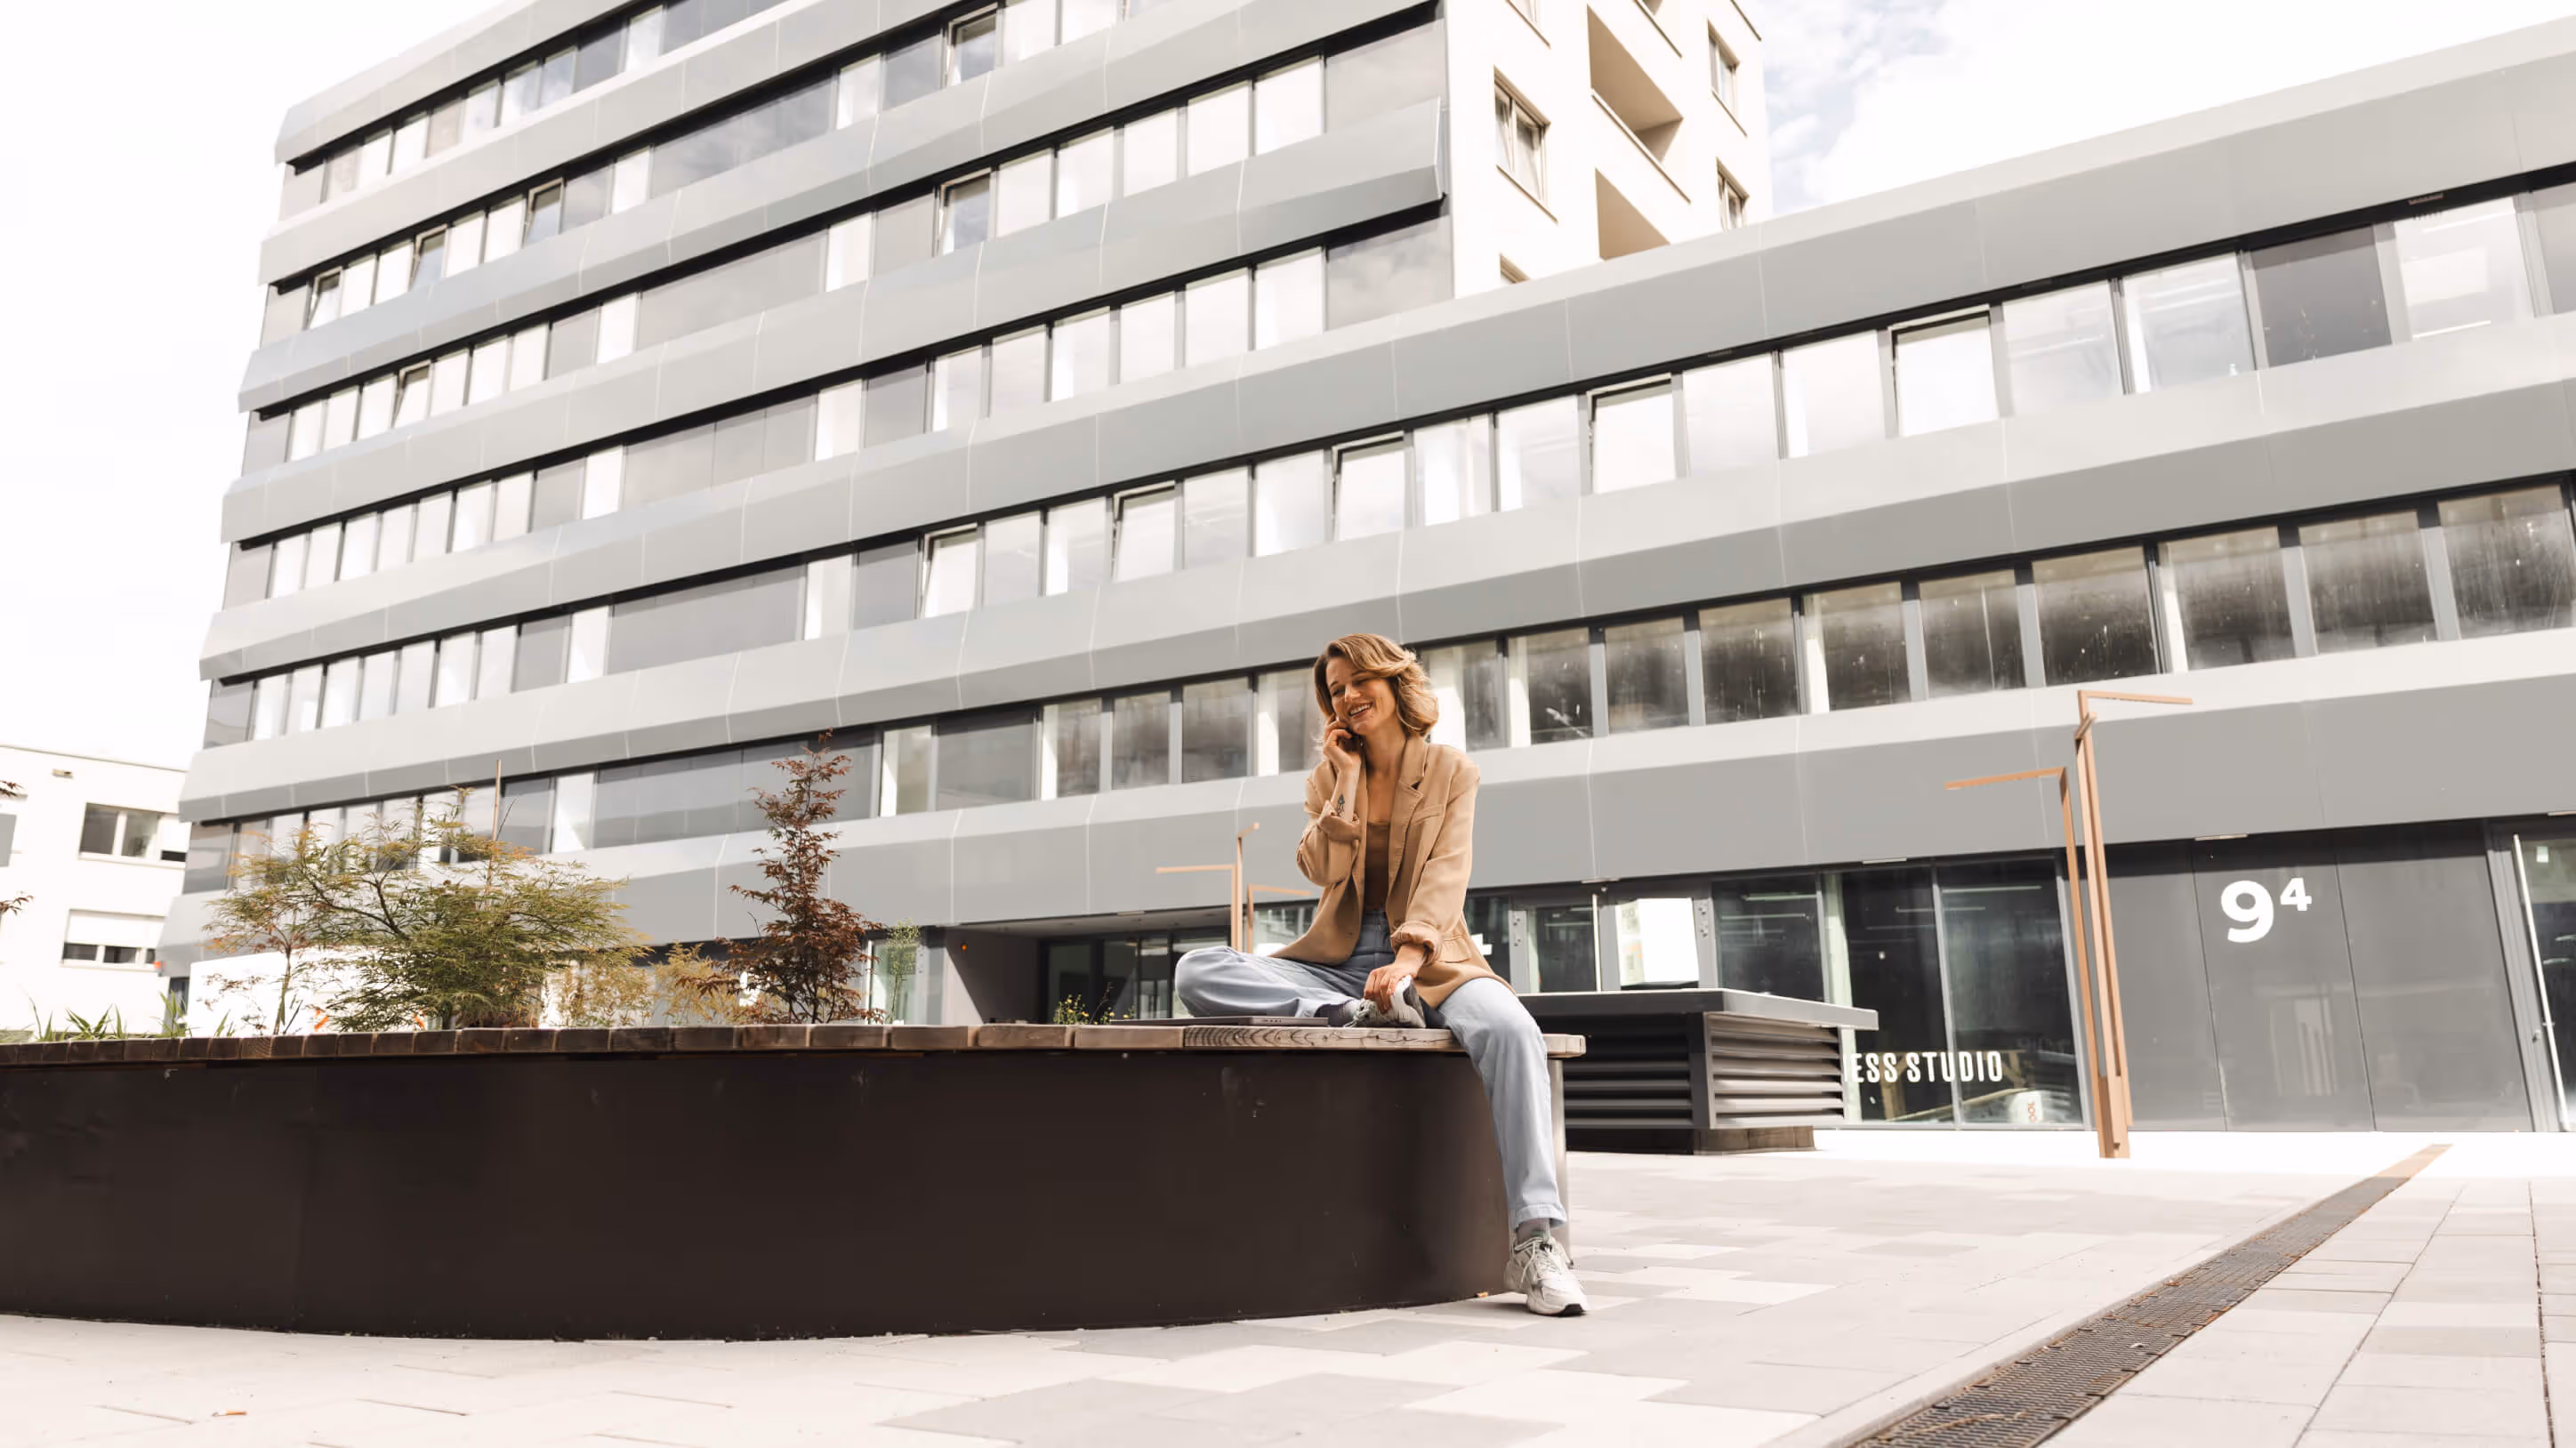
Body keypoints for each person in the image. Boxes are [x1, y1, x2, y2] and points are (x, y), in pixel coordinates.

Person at [1175, 632, 1587, 1317]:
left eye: (1358, 680)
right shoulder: (1329, 778)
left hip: (1436, 960)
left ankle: (1536, 1240)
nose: (1347, 696)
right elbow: (1320, 871)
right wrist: (1345, 782)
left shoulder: (1452, 771)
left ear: (1395, 684)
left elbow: (1447, 874)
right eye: (1335, 690)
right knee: (1198, 969)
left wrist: (1408, 958)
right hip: (1335, 968)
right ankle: (1343, 1017)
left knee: (1514, 1031)